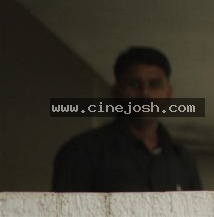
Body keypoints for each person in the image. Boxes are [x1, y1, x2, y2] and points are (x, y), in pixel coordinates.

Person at [52, 46, 202, 192]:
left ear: (168, 93)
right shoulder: (82, 152)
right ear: (116, 92)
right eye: (133, 84)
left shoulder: (182, 159)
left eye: (155, 84)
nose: (145, 93)